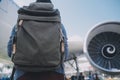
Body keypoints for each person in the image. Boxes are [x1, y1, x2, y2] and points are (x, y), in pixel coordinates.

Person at [7, 0, 68, 80]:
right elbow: (65, 53)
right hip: (54, 74)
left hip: (24, 74)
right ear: (50, 5)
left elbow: (10, 50)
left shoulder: (21, 21)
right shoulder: (59, 24)